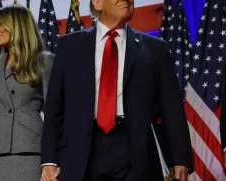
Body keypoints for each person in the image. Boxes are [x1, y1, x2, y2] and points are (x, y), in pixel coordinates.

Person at [40, 0, 193, 181]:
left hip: (137, 151)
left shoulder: (156, 49)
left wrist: (180, 158)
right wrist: (49, 160)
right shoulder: (69, 46)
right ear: (97, 3)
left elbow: (172, 110)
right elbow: (55, 109)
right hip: (82, 149)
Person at [0, 4, 54, 181]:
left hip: (28, 151)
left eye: (0, 24)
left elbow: (55, 116)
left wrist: (52, 161)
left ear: (17, 26)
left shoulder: (44, 62)